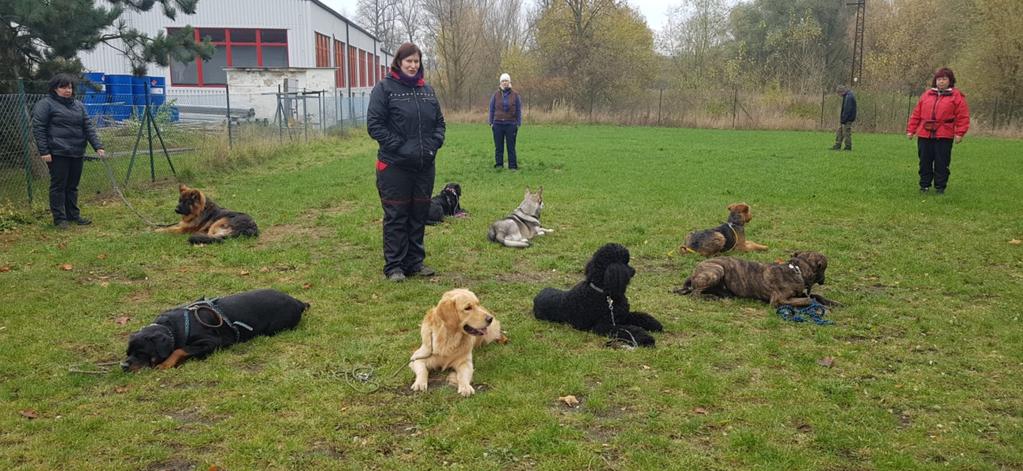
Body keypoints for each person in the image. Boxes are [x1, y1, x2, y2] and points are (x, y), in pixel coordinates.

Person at [367, 43, 446, 282]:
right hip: (394, 166)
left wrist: (433, 145)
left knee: (418, 214)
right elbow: (375, 125)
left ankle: (414, 262)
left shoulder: (427, 91)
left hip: (424, 167)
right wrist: (401, 147)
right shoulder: (385, 89)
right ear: (399, 62)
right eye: (408, 61)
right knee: (396, 214)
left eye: (416, 61)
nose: (413, 65)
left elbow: (440, 124)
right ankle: (394, 266)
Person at [31, 73, 106, 229]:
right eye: (63, 87)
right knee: (59, 186)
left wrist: (98, 146)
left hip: (77, 151)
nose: (67, 90)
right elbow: (39, 128)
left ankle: (73, 215)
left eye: (70, 87)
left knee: (72, 186)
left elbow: (88, 127)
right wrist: (44, 151)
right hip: (57, 152)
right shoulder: (46, 104)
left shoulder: (78, 105)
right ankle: (60, 219)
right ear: (54, 89)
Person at [906, 67, 970, 194]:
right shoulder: (926, 95)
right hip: (925, 134)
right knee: (924, 161)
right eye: (939, 79)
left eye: (944, 79)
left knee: (942, 162)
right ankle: (924, 185)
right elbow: (916, 114)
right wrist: (911, 130)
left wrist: (960, 133)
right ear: (935, 81)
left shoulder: (957, 96)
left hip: (944, 135)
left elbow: (963, 116)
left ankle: (940, 187)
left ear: (950, 81)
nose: (941, 82)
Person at [488, 73, 522, 169]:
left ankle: (512, 166)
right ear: (500, 83)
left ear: (509, 82)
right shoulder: (495, 95)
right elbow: (491, 109)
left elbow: (519, 109)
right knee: (499, 147)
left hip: (511, 124)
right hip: (497, 124)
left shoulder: (515, 95)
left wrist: (518, 122)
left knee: (511, 146)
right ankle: (499, 165)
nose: (504, 83)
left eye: (506, 81)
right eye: (503, 81)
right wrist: (490, 122)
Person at [831, 85, 856, 151]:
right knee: (840, 131)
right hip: (845, 118)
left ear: (841, 92)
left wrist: (844, 119)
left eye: (839, 93)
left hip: (848, 119)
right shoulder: (848, 96)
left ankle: (848, 147)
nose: (839, 95)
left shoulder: (848, 97)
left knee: (846, 132)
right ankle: (837, 145)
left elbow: (847, 110)